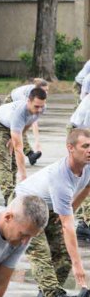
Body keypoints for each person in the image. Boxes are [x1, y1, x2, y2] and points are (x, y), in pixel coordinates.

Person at [16, 128, 90, 297]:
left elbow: (88, 185)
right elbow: (68, 226)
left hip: (49, 207)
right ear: (70, 148)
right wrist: (78, 265)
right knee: (40, 252)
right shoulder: (61, 178)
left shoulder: (88, 166)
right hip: (25, 205)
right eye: (85, 146)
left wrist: (72, 206)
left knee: (63, 252)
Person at [0, 87, 47, 204]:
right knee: (4, 160)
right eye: (36, 106)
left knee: (14, 163)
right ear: (28, 101)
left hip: (12, 125)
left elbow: (29, 122)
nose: (39, 109)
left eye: (41, 106)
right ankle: (9, 197)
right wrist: (24, 177)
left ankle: (14, 192)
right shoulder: (19, 113)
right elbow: (19, 149)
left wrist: (14, 137)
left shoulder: (41, 108)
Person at [6, 79, 49, 166]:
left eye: (47, 90)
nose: (46, 93)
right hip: (12, 100)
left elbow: (33, 119)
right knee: (17, 129)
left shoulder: (40, 98)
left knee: (20, 129)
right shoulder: (28, 99)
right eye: (43, 90)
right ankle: (29, 153)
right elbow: (33, 122)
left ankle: (29, 154)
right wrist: (37, 142)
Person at [68, 95, 90, 241]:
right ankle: (86, 223)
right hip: (80, 133)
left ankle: (84, 223)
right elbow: (86, 131)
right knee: (87, 178)